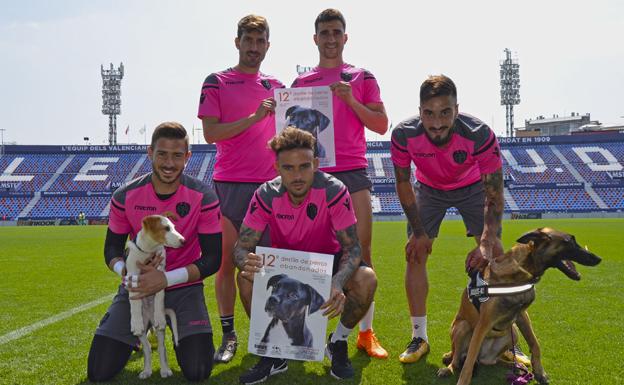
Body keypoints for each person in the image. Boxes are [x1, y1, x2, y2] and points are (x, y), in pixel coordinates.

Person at [391, 75, 530, 365]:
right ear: (419, 112)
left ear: (457, 109)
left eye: (445, 112)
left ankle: (509, 339)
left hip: (471, 188)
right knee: (415, 253)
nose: (437, 122)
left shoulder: (479, 134)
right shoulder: (403, 134)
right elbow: (403, 184)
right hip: (428, 188)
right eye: (429, 113)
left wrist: (486, 242)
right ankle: (419, 336)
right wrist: (418, 232)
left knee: (498, 257)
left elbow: (493, 193)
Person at [235, 127, 377, 383]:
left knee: (366, 279)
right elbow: (241, 247)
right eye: (288, 168)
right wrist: (246, 260)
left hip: (327, 261)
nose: (297, 175)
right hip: (288, 263)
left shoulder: (334, 190)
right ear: (277, 167)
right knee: (245, 277)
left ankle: (338, 342)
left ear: (315, 163)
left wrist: (337, 283)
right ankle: (273, 354)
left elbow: (353, 247)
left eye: (304, 166)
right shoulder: (266, 194)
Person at [87, 122, 222, 382]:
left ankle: (175, 330)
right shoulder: (125, 195)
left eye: (177, 155)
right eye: (162, 154)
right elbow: (112, 249)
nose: (169, 163)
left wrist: (166, 279)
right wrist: (126, 271)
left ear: (188, 157)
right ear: (150, 153)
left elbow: (213, 258)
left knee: (198, 370)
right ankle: (140, 333)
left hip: (184, 288)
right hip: (137, 288)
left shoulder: (203, 196)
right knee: (99, 370)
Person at [290, 8, 388, 359]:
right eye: (324, 33)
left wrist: (351, 99)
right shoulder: (301, 84)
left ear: (345, 38)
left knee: (361, 254)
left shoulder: (361, 77)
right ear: (315, 38)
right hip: (312, 175)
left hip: (352, 172)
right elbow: (289, 134)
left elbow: (380, 124)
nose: (330, 38)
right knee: (310, 255)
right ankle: (302, 335)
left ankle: (363, 334)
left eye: (336, 32)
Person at [197, 14, 285, 364]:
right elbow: (211, 134)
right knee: (226, 265)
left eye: (259, 41)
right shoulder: (217, 81)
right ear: (237, 43)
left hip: (269, 188)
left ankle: (274, 336)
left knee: (267, 265)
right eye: (247, 41)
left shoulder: (278, 86)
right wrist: (254, 118)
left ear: (267, 44)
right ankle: (229, 334)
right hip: (229, 185)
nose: (253, 47)